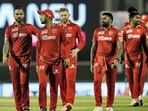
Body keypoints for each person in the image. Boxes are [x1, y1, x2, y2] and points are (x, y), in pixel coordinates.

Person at [2, 5, 38, 111]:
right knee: (16, 85)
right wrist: (4, 55)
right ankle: (19, 108)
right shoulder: (9, 29)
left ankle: (26, 106)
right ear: (13, 15)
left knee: (24, 83)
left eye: (20, 14)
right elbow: (6, 43)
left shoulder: (29, 27)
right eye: (17, 14)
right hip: (13, 60)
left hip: (25, 59)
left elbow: (40, 35)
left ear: (24, 14)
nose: (19, 16)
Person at [36, 9, 70, 111]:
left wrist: (67, 57)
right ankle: (42, 107)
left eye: (42, 15)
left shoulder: (59, 29)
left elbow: (66, 43)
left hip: (56, 61)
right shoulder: (40, 31)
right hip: (43, 61)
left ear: (48, 16)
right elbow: (38, 49)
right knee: (42, 84)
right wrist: (38, 64)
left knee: (54, 86)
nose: (40, 17)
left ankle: (52, 108)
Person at [90, 12, 123, 111]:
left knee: (111, 83)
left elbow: (120, 47)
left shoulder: (117, 31)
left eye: (104, 18)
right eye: (102, 18)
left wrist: (117, 59)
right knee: (97, 81)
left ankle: (109, 105)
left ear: (110, 20)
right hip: (99, 59)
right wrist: (92, 63)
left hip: (112, 59)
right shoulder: (97, 31)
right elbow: (93, 48)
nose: (102, 20)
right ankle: (98, 105)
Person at [57, 7, 86, 111]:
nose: (64, 17)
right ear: (59, 16)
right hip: (59, 58)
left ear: (69, 15)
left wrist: (77, 50)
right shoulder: (56, 27)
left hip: (71, 56)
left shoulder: (75, 27)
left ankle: (69, 102)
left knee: (70, 80)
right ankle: (64, 103)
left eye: (65, 15)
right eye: (62, 15)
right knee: (61, 82)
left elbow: (82, 41)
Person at [122, 10, 148, 107]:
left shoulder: (142, 29)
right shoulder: (125, 29)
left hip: (139, 56)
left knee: (138, 78)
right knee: (130, 79)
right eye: (137, 18)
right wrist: (121, 55)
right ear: (131, 18)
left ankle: (136, 98)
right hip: (128, 57)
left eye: (140, 17)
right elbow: (121, 43)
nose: (139, 19)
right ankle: (136, 97)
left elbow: (145, 45)